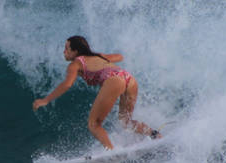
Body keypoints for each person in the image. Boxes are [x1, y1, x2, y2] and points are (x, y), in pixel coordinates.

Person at [32, 35, 160, 150]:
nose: (64, 51)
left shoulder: (75, 64)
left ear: (75, 51)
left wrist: (46, 100)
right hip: (129, 79)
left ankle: (111, 152)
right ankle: (154, 134)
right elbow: (120, 57)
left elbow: (67, 84)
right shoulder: (97, 56)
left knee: (94, 124)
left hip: (114, 81)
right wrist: (103, 59)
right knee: (126, 122)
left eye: (67, 48)